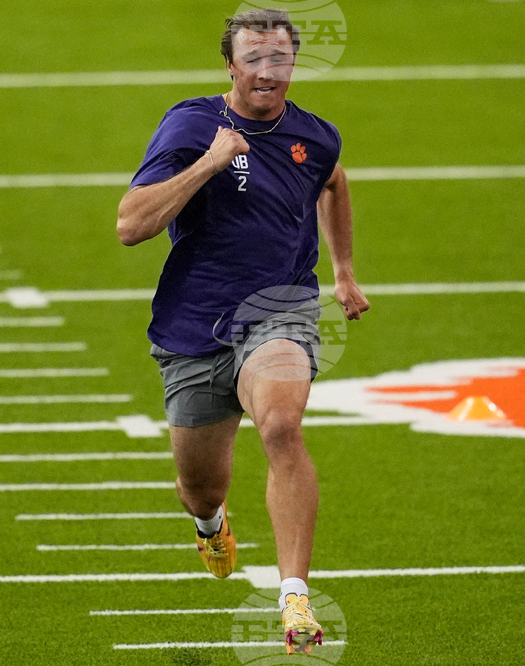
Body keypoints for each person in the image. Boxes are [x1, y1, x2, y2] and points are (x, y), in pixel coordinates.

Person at [116, 8, 370, 655]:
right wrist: (209, 162)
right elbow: (130, 224)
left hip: (279, 310)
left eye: (278, 59)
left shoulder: (315, 137)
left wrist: (342, 271)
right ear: (230, 64)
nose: (266, 71)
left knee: (282, 426)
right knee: (200, 486)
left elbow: (333, 182)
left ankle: (294, 599)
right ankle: (210, 524)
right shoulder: (192, 124)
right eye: (253, 58)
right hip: (193, 328)